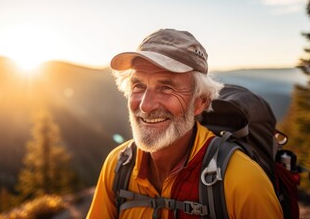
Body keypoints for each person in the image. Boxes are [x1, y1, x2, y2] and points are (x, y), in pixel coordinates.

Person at [87, 29, 283, 218]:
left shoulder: (244, 180)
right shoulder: (118, 165)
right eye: (138, 86)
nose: (146, 106)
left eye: (166, 87)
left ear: (200, 102)